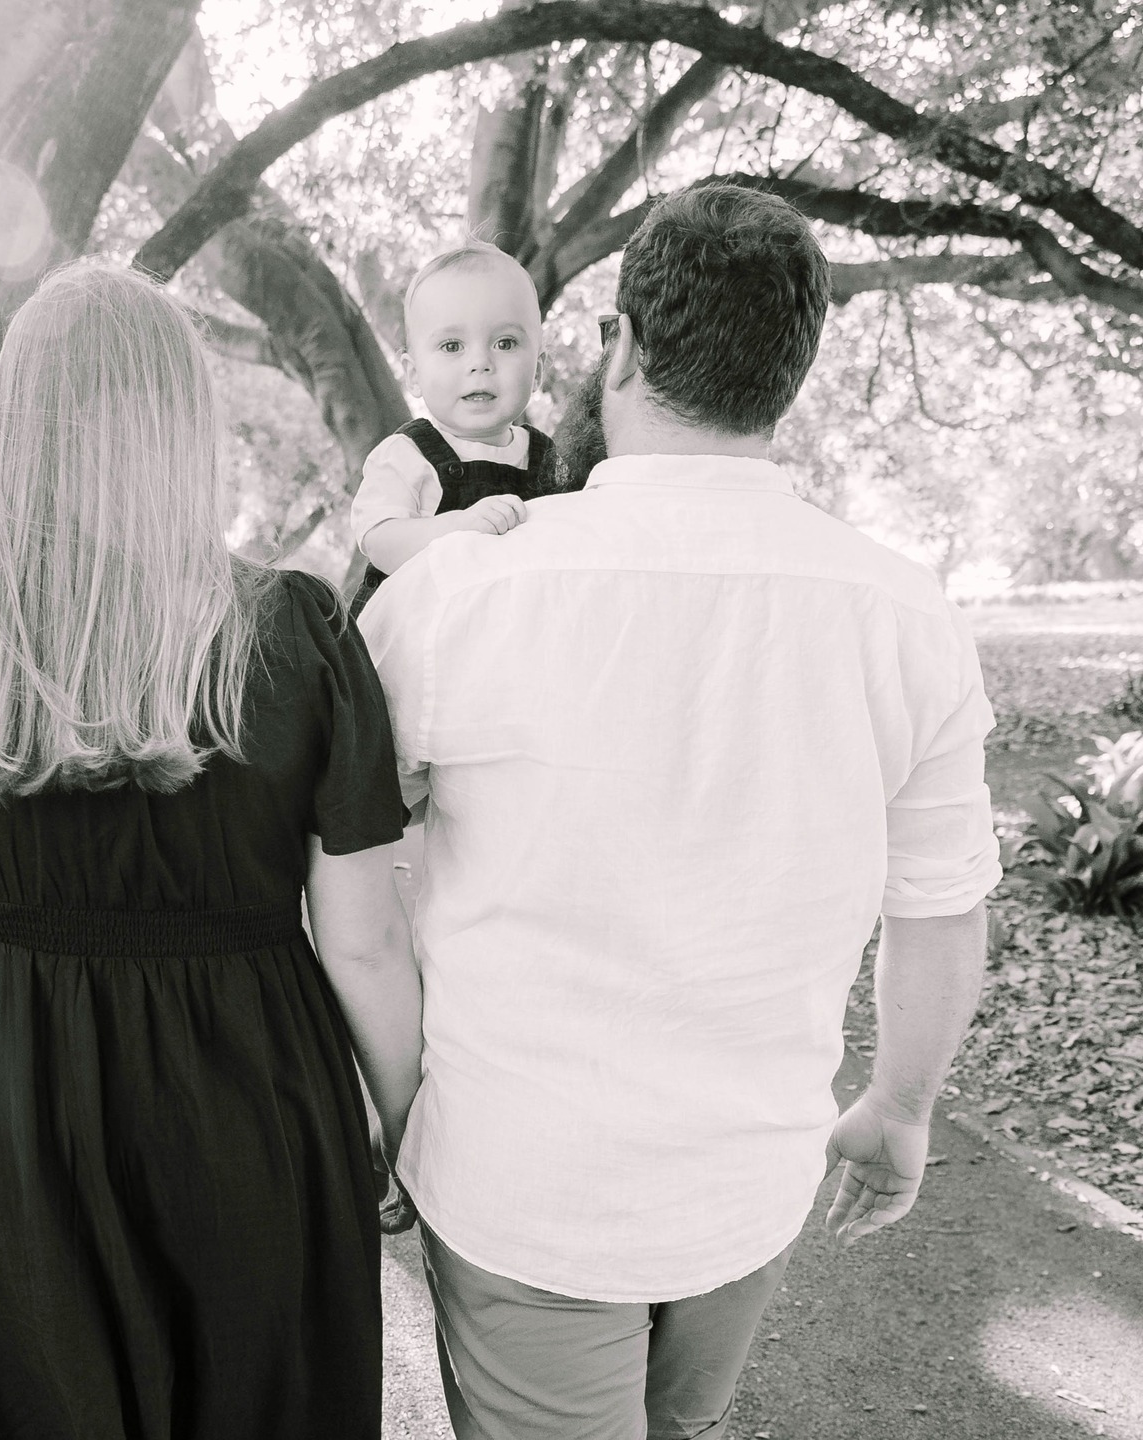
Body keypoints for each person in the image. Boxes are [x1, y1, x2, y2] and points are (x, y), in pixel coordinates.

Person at [359, 183, 1000, 1440]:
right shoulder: (904, 616)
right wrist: (901, 1107)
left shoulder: (461, 592)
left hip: (519, 1180)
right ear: (788, 375)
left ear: (624, 347)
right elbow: (941, 906)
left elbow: (352, 888)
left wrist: (370, 1109)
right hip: (744, 1179)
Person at [0, 261, 423, 1440]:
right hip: (253, 1116)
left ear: (15, 421)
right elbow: (366, 943)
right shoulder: (292, 629)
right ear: (181, 423)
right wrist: (401, 1120)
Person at [348, 240, 558, 614]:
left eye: (505, 343)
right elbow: (379, 539)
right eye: (451, 346)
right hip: (412, 642)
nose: (480, 362)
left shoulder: (552, 462)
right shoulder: (406, 456)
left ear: (538, 370)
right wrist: (458, 527)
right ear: (413, 374)